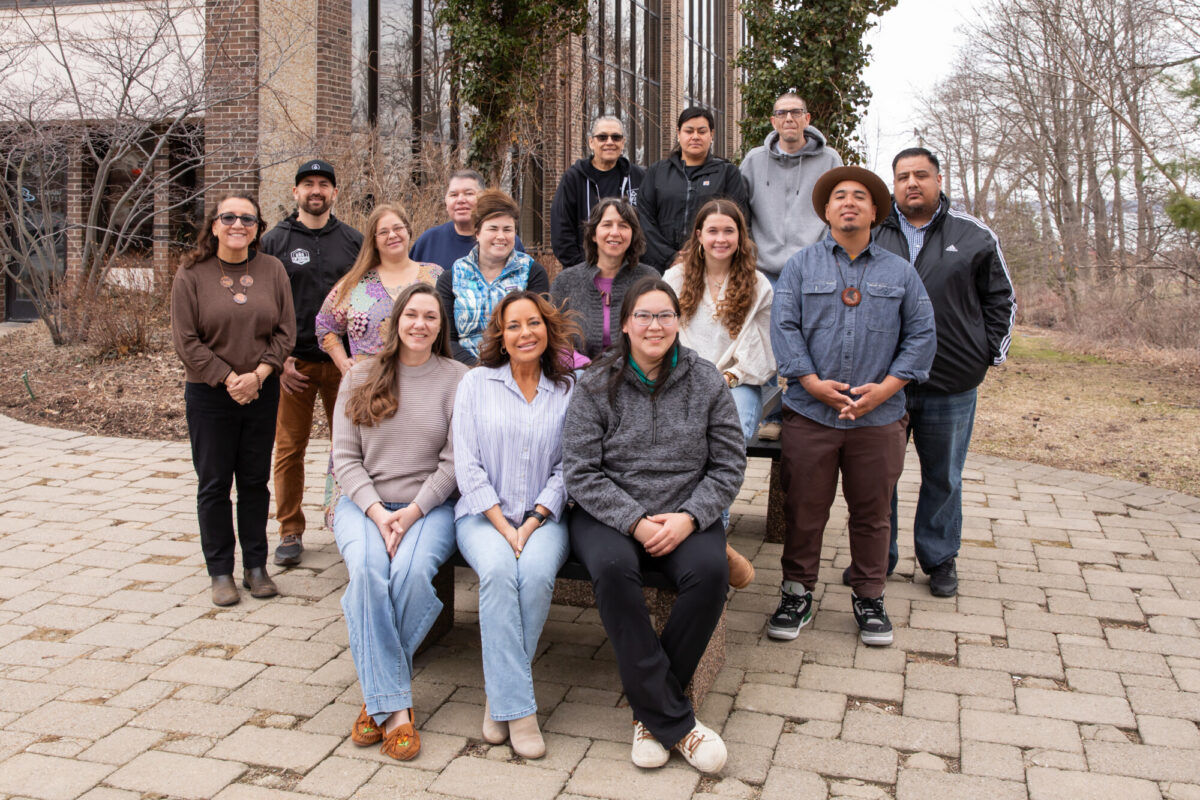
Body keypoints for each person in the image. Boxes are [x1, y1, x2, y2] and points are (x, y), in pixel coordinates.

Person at [563, 277, 744, 774]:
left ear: (677, 322)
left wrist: (689, 518)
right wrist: (635, 522)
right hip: (608, 515)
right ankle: (673, 721)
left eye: (664, 315)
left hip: (685, 512)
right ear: (625, 324)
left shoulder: (706, 380)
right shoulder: (596, 383)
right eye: (643, 315)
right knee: (614, 570)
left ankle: (650, 712)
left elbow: (728, 465)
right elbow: (579, 471)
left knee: (709, 575)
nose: (654, 325)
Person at [768, 166, 936, 646]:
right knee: (804, 509)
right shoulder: (800, 268)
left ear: (874, 211)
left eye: (859, 197)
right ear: (825, 211)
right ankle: (796, 593)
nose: (848, 203)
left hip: (878, 418)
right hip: (810, 413)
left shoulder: (899, 272)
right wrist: (811, 382)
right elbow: (784, 326)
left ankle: (870, 596)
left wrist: (887, 388)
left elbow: (922, 334)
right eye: (838, 196)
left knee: (873, 512)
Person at [868, 147, 1016, 597]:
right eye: (902, 177)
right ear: (893, 185)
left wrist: (987, 355)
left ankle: (939, 559)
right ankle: (878, 559)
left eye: (921, 175)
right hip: (883, 382)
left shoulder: (972, 235)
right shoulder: (872, 232)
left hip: (950, 382)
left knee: (944, 476)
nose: (912, 183)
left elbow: (1001, 300)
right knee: (878, 478)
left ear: (938, 180)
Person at [331, 283, 467, 761]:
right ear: (395, 321)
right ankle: (399, 710)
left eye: (431, 317)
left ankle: (375, 699)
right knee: (368, 572)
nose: (420, 324)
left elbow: (455, 463)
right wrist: (376, 513)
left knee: (409, 575)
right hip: (363, 506)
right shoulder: (360, 376)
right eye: (411, 314)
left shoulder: (457, 378)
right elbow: (344, 461)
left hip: (428, 508)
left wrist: (409, 514)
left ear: (440, 327)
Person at [452, 291, 579, 760]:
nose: (525, 333)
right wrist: (505, 528)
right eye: (514, 326)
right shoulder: (476, 384)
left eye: (534, 323)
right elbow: (466, 466)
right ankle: (521, 711)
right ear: (500, 338)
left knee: (537, 576)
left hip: (545, 519)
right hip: (482, 518)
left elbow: (569, 468)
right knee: (501, 573)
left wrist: (533, 522)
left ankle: (499, 695)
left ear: (547, 330)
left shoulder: (569, 389)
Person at [171, 194, 296, 606]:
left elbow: (285, 332)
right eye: (229, 217)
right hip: (209, 395)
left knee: (255, 481)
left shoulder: (272, 269)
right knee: (214, 484)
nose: (237, 224)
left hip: (261, 391)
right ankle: (220, 571)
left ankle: (256, 567)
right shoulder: (191, 274)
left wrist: (258, 376)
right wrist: (229, 379)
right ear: (214, 225)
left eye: (247, 218)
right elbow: (186, 341)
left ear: (258, 228)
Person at [259, 159, 363, 568]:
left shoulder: (354, 241)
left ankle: (349, 522)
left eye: (323, 184)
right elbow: (263, 306)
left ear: (335, 193)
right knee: (289, 449)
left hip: (345, 366)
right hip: (293, 366)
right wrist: (277, 358)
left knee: (352, 448)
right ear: (295, 192)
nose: (315, 190)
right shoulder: (274, 242)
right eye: (308, 184)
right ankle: (289, 530)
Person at [663, 198, 773, 583]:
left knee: (731, 436)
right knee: (681, 439)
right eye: (713, 230)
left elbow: (760, 350)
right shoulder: (675, 280)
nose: (721, 238)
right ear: (699, 236)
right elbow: (662, 338)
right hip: (681, 378)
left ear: (741, 237)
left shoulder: (758, 285)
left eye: (729, 230)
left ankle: (713, 532)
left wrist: (727, 379)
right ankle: (709, 540)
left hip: (736, 380)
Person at [314, 203, 443, 526]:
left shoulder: (436, 276)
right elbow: (324, 326)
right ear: (373, 239)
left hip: (424, 385)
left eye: (397, 228)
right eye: (383, 231)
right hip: (371, 389)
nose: (392, 235)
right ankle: (362, 520)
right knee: (360, 457)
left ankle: (416, 516)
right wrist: (344, 363)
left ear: (409, 231)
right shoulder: (356, 284)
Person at [740, 91, 842, 440]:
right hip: (764, 268)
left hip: (811, 267)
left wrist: (824, 256)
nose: (789, 120)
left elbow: (837, 212)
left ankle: (800, 411)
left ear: (807, 119)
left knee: (807, 340)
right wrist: (749, 255)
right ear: (773, 121)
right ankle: (771, 416)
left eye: (796, 113)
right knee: (763, 343)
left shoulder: (829, 160)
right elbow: (742, 212)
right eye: (782, 113)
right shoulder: (754, 160)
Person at [436, 190, 550, 364]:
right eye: (493, 228)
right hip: (464, 372)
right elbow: (447, 339)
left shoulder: (532, 273)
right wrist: (477, 370)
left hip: (518, 369)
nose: (501, 236)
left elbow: (538, 331)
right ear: (477, 233)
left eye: (507, 229)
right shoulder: (451, 278)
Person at [637, 107, 748, 272]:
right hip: (659, 267)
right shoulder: (657, 172)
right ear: (678, 133)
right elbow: (644, 219)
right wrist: (671, 257)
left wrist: (699, 254)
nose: (695, 137)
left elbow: (739, 219)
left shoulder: (727, 173)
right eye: (689, 131)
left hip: (710, 265)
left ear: (712, 135)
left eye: (702, 131)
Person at [549, 197, 657, 360]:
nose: (615, 232)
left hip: (638, 377)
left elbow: (659, 334)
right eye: (607, 225)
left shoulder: (649, 279)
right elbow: (551, 337)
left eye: (623, 226)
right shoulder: (566, 282)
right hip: (577, 377)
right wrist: (581, 367)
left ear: (633, 234)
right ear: (593, 234)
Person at [550, 116, 645, 269]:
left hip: (630, 271)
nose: (609, 142)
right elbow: (561, 231)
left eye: (616, 137)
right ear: (591, 142)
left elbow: (647, 226)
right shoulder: (573, 178)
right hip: (584, 272)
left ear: (623, 142)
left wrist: (635, 265)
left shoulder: (638, 177)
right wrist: (584, 269)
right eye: (602, 137)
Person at [410, 170, 525, 270]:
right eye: (453, 195)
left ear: (482, 198)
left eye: (469, 193)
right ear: (446, 201)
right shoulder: (428, 241)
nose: (460, 200)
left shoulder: (504, 241)